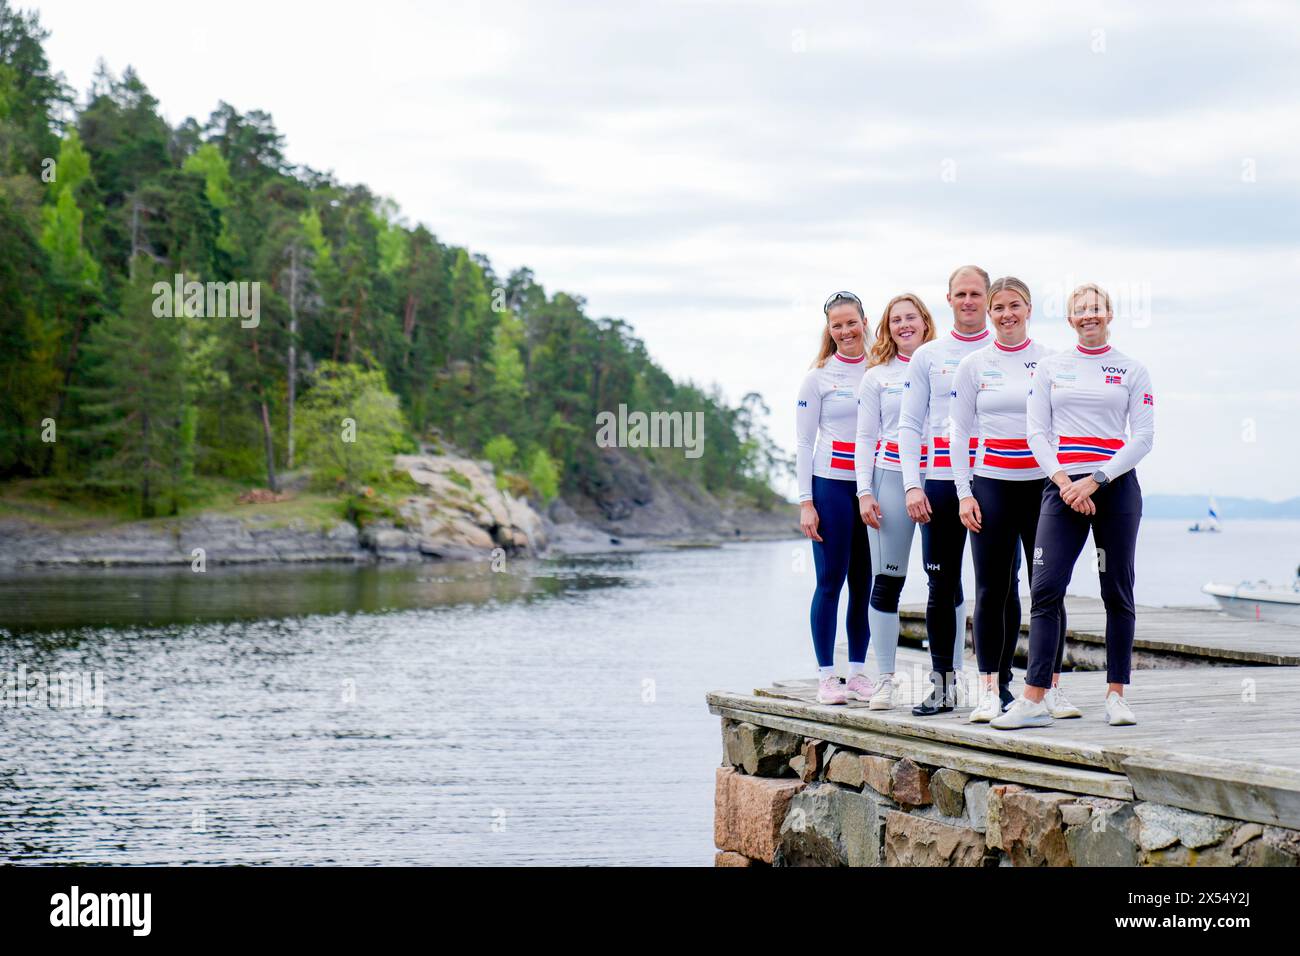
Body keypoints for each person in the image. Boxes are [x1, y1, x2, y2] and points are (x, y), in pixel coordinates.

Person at [992, 283, 1155, 729]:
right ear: (1069, 319)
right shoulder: (1051, 367)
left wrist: (1097, 479)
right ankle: (1033, 697)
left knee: (1116, 592)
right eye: (1080, 310)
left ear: (1109, 314)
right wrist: (1066, 482)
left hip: (1115, 490)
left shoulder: (1131, 369)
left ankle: (1117, 695)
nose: (1089, 315)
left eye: (1096, 308)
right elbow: (1036, 434)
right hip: (1061, 491)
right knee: (1045, 590)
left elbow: (1142, 438)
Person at [949, 277, 1078, 723]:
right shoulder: (973, 365)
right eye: (998, 307)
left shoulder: (1050, 361)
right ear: (989, 312)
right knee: (991, 589)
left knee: (1047, 590)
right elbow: (959, 432)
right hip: (991, 486)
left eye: (1015, 306)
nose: (1006, 314)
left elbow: (1063, 422)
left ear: (1028, 309)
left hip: (1042, 488)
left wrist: (1066, 480)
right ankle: (990, 690)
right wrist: (964, 493)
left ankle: (1050, 688)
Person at [898, 265, 1021, 716]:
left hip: (994, 480)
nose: (968, 301)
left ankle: (1001, 685)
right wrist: (913, 484)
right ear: (948, 299)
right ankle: (943, 685)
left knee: (1003, 587)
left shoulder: (1005, 351)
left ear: (988, 300)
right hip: (941, 484)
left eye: (976, 294)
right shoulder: (928, 356)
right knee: (940, 584)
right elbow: (909, 424)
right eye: (961, 294)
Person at [854, 293, 936, 709]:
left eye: (911, 317)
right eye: (895, 320)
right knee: (887, 582)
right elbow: (865, 438)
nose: (904, 325)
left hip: (937, 479)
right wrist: (864, 490)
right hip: (888, 481)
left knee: (946, 581)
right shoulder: (876, 376)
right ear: (887, 328)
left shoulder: (945, 365)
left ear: (925, 321)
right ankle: (884, 679)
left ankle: (948, 679)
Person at [796, 291, 873, 704]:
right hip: (831, 487)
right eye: (836, 324)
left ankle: (858, 672)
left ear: (864, 321)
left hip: (872, 487)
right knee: (831, 582)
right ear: (829, 330)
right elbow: (804, 442)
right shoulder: (818, 377)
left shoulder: (880, 369)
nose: (845, 331)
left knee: (865, 582)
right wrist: (806, 502)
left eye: (851, 322)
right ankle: (827, 676)